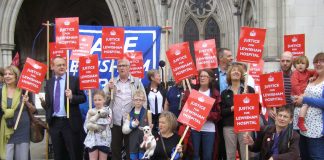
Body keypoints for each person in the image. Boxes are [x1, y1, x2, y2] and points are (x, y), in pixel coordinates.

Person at [44, 56, 87, 160]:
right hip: (55, 123)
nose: (62, 67)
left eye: (63, 65)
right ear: (52, 67)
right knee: (58, 154)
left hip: (70, 122)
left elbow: (83, 98)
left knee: (74, 153)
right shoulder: (49, 82)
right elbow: (49, 105)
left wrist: (72, 97)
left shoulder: (73, 80)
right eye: (59, 65)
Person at [104, 58, 146, 160]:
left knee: (131, 150)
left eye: (124, 65)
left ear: (129, 67)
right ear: (117, 68)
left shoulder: (136, 82)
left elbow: (144, 101)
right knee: (115, 151)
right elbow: (103, 101)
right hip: (115, 122)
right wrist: (109, 90)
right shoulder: (112, 82)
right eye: (120, 66)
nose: (122, 68)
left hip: (131, 122)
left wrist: (142, 119)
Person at [181, 69, 221, 160]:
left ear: (210, 78)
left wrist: (206, 115)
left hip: (209, 129)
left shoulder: (215, 94)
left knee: (207, 156)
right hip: (194, 128)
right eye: (201, 76)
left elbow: (218, 114)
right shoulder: (192, 92)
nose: (202, 78)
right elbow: (184, 109)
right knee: (195, 155)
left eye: (205, 76)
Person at [0, 65, 36, 160]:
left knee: (22, 156)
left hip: (22, 127)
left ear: (16, 76)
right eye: (5, 74)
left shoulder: (24, 90)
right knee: (7, 155)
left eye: (10, 74)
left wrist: (27, 102)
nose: (7, 76)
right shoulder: (0, 91)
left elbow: (33, 110)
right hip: (6, 128)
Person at [220, 63, 254, 160]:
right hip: (229, 126)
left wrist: (248, 98)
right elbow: (222, 112)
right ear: (229, 75)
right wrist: (233, 108)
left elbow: (256, 107)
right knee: (230, 155)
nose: (236, 72)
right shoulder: (225, 93)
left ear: (242, 74)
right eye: (233, 70)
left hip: (245, 125)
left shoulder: (248, 89)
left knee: (245, 154)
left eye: (238, 70)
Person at [294, 52, 324, 159]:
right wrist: (299, 99)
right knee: (305, 157)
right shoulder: (313, 79)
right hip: (304, 129)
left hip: (317, 131)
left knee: (316, 157)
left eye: (321, 61)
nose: (318, 64)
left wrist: (305, 99)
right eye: (316, 62)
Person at [214, 48, 233, 160]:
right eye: (229, 56)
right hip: (217, 111)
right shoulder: (213, 73)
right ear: (221, 58)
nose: (232, 58)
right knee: (218, 140)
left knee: (229, 142)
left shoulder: (235, 72)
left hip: (230, 111)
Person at [84, 90, 112, 160]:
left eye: (99, 99)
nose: (97, 102)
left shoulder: (108, 110)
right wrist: (90, 127)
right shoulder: (90, 111)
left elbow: (108, 121)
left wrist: (95, 119)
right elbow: (86, 124)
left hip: (104, 140)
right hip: (92, 140)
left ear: (104, 100)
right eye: (95, 100)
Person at [290, 56, 317, 132]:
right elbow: (295, 85)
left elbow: (316, 71)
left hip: (303, 94)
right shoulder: (295, 73)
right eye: (298, 63)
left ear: (306, 65)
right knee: (305, 104)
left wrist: (314, 77)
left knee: (307, 104)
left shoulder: (308, 72)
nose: (300, 65)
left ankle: (303, 120)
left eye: (302, 63)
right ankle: (300, 121)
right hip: (295, 94)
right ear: (295, 65)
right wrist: (300, 95)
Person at [268, 51, 293, 125]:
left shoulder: (296, 76)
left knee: (288, 136)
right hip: (275, 114)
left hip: (290, 115)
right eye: (283, 61)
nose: (285, 63)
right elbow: (266, 94)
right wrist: (269, 109)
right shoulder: (272, 76)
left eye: (288, 61)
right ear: (280, 62)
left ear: (292, 62)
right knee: (272, 135)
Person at [126, 90, 150, 160]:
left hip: (144, 140)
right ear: (133, 100)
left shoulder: (147, 112)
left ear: (144, 101)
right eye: (136, 99)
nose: (138, 101)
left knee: (143, 157)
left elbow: (150, 126)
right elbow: (125, 129)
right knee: (133, 157)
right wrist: (131, 125)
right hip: (133, 139)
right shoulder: (130, 113)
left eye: (140, 100)